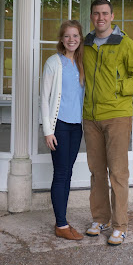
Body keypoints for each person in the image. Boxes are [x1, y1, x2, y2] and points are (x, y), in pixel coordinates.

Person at [83, 0, 133, 246]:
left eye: (104, 13)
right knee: (96, 172)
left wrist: (117, 88)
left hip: (117, 117)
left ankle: (121, 225)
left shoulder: (124, 44)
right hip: (90, 118)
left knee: (118, 173)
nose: (100, 18)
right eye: (96, 14)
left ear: (112, 16)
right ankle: (101, 219)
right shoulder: (86, 44)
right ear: (91, 16)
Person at [41, 20, 84, 241]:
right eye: (67, 36)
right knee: (61, 173)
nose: (71, 40)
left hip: (77, 127)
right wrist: (48, 131)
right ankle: (61, 224)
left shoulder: (82, 63)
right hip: (59, 125)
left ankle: (63, 221)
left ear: (80, 38)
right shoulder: (53, 63)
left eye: (75, 36)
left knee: (68, 172)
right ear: (61, 39)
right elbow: (45, 98)